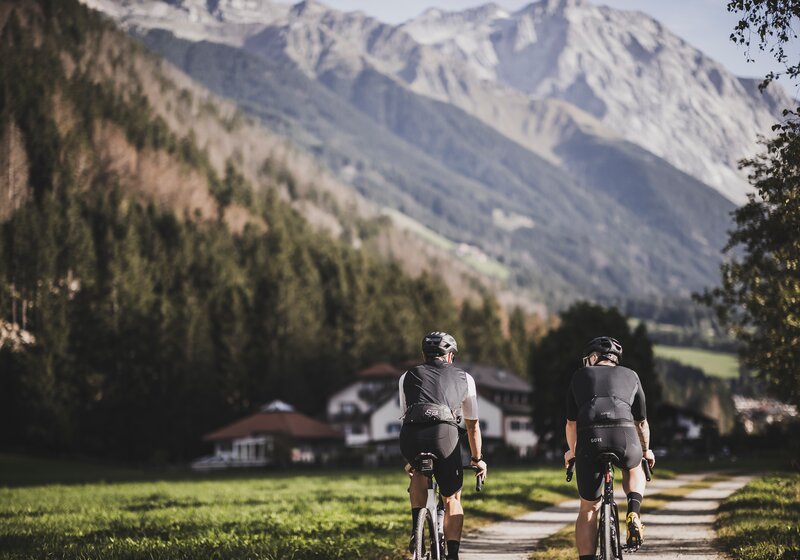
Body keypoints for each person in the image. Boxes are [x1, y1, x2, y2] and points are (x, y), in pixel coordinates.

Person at [563, 336, 656, 560]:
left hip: (590, 437)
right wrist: (645, 451)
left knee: (588, 508)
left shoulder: (579, 376)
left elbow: (571, 423)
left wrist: (572, 452)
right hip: (624, 435)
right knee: (634, 467)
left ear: (594, 357)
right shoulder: (631, 375)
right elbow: (641, 423)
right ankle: (633, 510)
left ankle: (587, 557)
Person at [399, 331, 488, 560]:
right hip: (444, 435)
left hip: (411, 435)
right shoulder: (465, 379)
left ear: (424, 355)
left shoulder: (407, 376)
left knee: (419, 472)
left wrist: (409, 461)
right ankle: (453, 554)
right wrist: (477, 459)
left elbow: (406, 415)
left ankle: (415, 531)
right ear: (449, 356)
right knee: (452, 498)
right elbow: (472, 426)